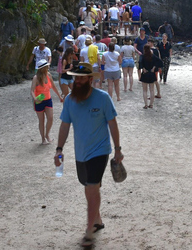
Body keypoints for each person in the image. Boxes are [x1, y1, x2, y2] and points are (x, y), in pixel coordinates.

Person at [54, 63, 123, 248]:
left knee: (92, 187)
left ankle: (89, 232)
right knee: (88, 187)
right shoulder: (69, 100)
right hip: (81, 153)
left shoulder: (103, 98)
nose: (77, 81)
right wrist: (59, 149)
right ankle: (98, 220)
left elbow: (113, 124)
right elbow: (64, 125)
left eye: (82, 78)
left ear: (90, 79)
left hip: (100, 151)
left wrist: (117, 149)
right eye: (76, 78)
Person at [31, 60, 63, 145]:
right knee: (41, 120)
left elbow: (53, 86)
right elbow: (32, 91)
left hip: (48, 100)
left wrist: (59, 96)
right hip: (39, 101)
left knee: (50, 118)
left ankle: (47, 134)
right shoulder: (36, 78)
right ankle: (43, 139)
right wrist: (35, 99)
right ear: (43, 68)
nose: (48, 67)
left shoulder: (48, 75)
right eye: (47, 66)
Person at [138, 44, 161, 109]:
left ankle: (145, 104)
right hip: (151, 73)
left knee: (145, 90)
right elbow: (160, 62)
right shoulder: (153, 56)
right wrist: (154, 67)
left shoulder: (142, 56)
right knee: (152, 90)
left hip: (145, 73)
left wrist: (143, 68)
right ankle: (151, 104)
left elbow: (140, 63)